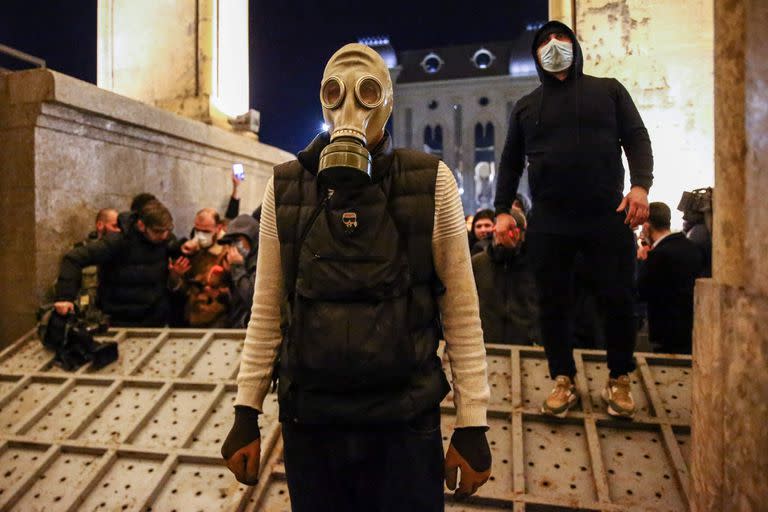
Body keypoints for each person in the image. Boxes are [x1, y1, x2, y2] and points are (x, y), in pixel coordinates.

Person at [221, 43, 491, 511]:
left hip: (402, 425)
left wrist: (473, 424)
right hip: (313, 423)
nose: (349, 107)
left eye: (366, 91)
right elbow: (267, 309)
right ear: (322, 101)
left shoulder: (431, 182)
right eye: (334, 91)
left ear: (387, 100)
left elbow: (461, 310)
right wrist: (246, 411)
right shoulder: (284, 187)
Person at [495, 21, 654, 419]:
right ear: (535, 56)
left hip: (606, 216)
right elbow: (510, 162)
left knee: (617, 300)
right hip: (550, 222)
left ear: (575, 44)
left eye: (560, 38)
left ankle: (619, 379)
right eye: (544, 42)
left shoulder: (610, 91)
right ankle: (562, 379)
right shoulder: (527, 106)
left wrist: (641, 187)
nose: (553, 46)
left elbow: (637, 138)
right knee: (552, 303)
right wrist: (501, 210)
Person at [54, 199, 183, 326]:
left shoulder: (165, 240)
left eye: (167, 230)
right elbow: (73, 258)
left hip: (155, 321)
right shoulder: (117, 242)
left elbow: (182, 251)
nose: (164, 236)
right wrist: (65, 297)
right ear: (141, 225)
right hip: (120, 320)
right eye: (158, 231)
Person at [637, 202, 704, 354]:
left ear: (647, 227)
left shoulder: (658, 255)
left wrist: (642, 263)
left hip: (666, 334)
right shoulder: (691, 248)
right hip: (691, 330)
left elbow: (641, 291)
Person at [472, 209, 539, 345]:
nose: (503, 235)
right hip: (484, 346)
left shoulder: (534, 266)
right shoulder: (477, 264)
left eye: (511, 230)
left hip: (525, 348)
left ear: (521, 234)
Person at [174, 208, 230, 327]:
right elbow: (183, 286)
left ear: (218, 228)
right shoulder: (193, 249)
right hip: (192, 314)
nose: (200, 235)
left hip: (217, 318)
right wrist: (176, 274)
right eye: (197, 230)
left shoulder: (228, 251)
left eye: (206, 231)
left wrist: (219, 294)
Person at [219, 214, 260, 328]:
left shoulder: (261, 262)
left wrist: (237, 267)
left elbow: (253, 299)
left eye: (237, 240)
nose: (234, 246)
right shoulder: (243, 260)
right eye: (230, 242)